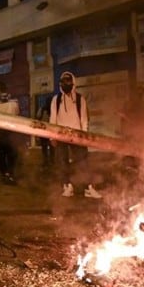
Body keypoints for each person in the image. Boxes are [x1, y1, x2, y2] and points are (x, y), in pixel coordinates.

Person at [49, 71, 102, 199]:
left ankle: (88, 188)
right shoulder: (56, 100)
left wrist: (84, 136)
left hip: (78, 136)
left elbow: (84, 119)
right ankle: (67, 186)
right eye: (63, 82)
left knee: (83, 162)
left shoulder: (80, 99)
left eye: (68, 81)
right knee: (62, 162)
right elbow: (53, 119)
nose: (65, 84)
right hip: (61, 135)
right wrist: (52, 136)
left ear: (73, 83)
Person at [0, 82, 20, 185]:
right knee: (12, 153)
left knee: (0, 155)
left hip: (0, 131)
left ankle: (5, 174)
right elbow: (17, 114)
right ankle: (11, 173)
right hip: (11, 131)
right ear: (7, 89)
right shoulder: (14, 101)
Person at [36, 94, 54, 170]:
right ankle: (51, 162)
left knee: (45, 149)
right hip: (51, 133)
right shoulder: (54, 109)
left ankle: (46, 162)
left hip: (44, 133)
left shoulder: (42, 109)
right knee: (52, 148)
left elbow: (38, 118)